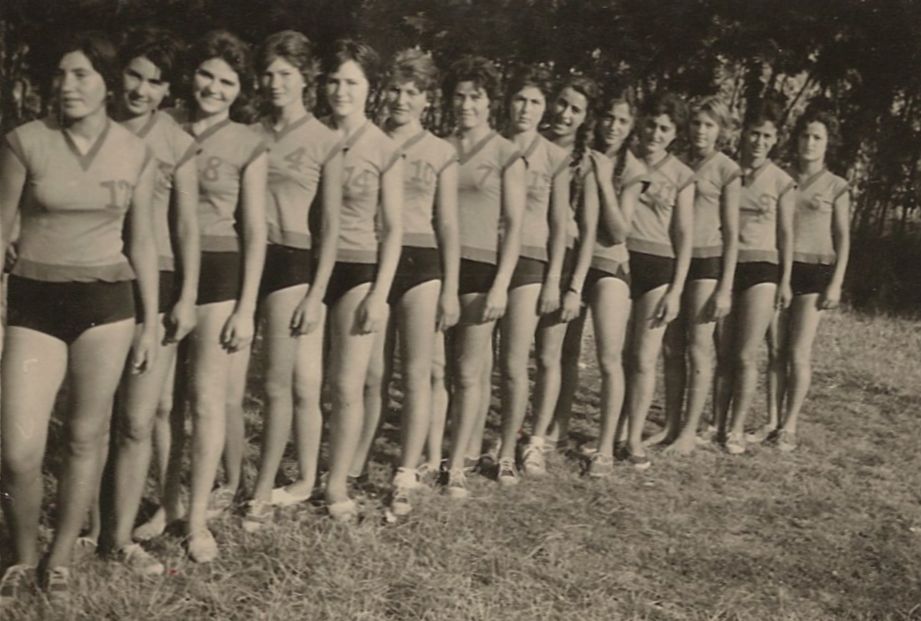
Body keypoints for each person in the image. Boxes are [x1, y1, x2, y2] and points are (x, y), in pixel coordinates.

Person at [0, 31, 158, 604]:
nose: (67, 85)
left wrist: (152, 321)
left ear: (107, 84)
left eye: (81, 74)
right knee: (18, 449)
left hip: (106, 308)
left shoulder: (136, 152)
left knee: (86, 438)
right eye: (61, 74)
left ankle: (60, 558)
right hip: (34, 305)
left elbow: (143, 241)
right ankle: (21, 559)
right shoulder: (25, 141)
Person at [346, 49, 459, 515]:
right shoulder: (366, 139)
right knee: (373, 373)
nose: (401, 100)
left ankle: (406, 471)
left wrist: (450, 288)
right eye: (394, 89)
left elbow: (447, 223)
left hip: (422, 264)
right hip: (375, 258)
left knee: (417, 373)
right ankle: (354, 463)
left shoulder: (441, 151)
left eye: (412, 93)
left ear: (427, 100)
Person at [169, 29, 268, 560]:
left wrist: (247, 307)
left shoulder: (248, 143)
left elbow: (254, 231)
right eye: (206, 75)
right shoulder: (163, 127)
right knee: (160, 402)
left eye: (227, 81)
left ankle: (197, 518)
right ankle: (166, 503)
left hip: (219, 273)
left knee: (206, 399)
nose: (213, 87)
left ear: (240, 89)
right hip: (164, 266)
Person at [105, 27, 201, 572]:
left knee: (138, 417)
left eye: (155, 82)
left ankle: (119, 536)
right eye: (134, 76)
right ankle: (89, 525)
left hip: (156, 281)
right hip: (97, 275)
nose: (141, 90)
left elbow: (186, 226)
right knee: (95, 415)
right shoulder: (93, 125)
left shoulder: (176, 142)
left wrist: (186, 296)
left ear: (168, 90)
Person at [242, 30, 342, 530]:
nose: (274, 82)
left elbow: (330, 227)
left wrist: (317, 293)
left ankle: (261, 492)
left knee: (277, 383)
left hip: (292, 264)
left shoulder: (326, 140)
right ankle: (231, 479)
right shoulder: (247, 132)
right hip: (245, 259)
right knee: (232, 384)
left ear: (307, 77)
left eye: (285, 73)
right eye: (267, 73)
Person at [319, 39, 403, 521]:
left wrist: (379, 293)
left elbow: (393, 229)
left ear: (371, 89)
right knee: (305, 384)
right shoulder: (310, 135)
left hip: (358, 271)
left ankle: (336, 484)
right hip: (310, 269)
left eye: (352, 82)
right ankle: (306, 472)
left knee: (347, 385)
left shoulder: (384, 148)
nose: (341, 91)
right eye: (333, 80)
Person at [441, 55, 525, 498]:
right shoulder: (439, 147)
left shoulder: (506, 153)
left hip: (481, 269)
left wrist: (501, 285)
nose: (466, 104)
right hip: (439, 265)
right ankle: (437, 453)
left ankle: (456, 465)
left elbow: (514, 225)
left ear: (490, 101)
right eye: (459, 96)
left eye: (475, 96)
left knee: (469, 372)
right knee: (439, 370)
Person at [492, 64, 570, 484]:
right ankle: (473, 443)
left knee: (513, 361)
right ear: (508, 102)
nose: (525, 108)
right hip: (486, 258)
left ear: (546, 109)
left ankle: (512, 448)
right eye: (520, 99)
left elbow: (560, 225)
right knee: (474, 361)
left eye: (535, 101)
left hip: (530, 262)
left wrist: (554, 278)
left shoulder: (554, 157)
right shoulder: (491, 145)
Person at [519, 76, 600, 473]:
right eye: (562, 104)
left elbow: (588, 233)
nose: (565, 114)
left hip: (563, 262)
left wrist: (574, 286)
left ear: (586, 118)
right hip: (524, 253)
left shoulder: (586, 163)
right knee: (517, 353)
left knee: (554, 354)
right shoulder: (528, 142)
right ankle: (515, 429)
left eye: (576, 109)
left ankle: (545, 435)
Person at [659, 96, 741, 455]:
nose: (701, 131)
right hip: (675, 260)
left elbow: (733, 234)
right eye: (696, 123)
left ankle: (689, 432)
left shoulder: (727, 170)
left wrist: (725, 288)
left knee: (698, 347)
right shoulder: (675, 162)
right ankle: (670, 425)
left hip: (707, 262)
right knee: (671, 347)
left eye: (709, 125)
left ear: (721, 130)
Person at [712, 100, 794, 454]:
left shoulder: (782, 181)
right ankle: (716, 423)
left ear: (775, 140)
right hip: (727, 265)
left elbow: (787, 234)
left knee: (746, 354)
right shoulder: (727, 172)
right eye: (754, 133)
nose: (759, 142)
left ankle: (735, 429)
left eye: (767, 136)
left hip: (763, 269)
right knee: (723, 352)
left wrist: (786, 280)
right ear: (743, 133)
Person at [766, 103, 849, 452]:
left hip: (815, 273)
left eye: (817, 137)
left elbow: (843, 237)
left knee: (798, 351)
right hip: (779, 268)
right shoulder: (780, 177)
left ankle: (789, 425)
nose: (809, 143)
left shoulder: (837, 185)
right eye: (805, 135)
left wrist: (836, 282)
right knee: (774, 349)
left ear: (828, 144)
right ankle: (771, 419)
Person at [573, 86, 645, 477]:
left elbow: (619, 231)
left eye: (622, 121)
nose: (613, 127)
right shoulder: (578, 153)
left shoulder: (631, 168)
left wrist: (603, 180)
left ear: (631, 127)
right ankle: (550, 433)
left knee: (608, 358)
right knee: (562, 355)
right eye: (608, 118)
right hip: (571, 260)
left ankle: (604, 448)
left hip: (609, 265)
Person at [621, 92, 695, 469]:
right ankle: (615, 430)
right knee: (618, 355)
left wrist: (677, 289)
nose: (655, 133)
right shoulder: (624, 160)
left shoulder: (682, 176)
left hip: (658, 269)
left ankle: (633, 438)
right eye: (651, 124)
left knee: (643, 357)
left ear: (675, 134)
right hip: (620, 262)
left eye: (665, 128)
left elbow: (684, 236)